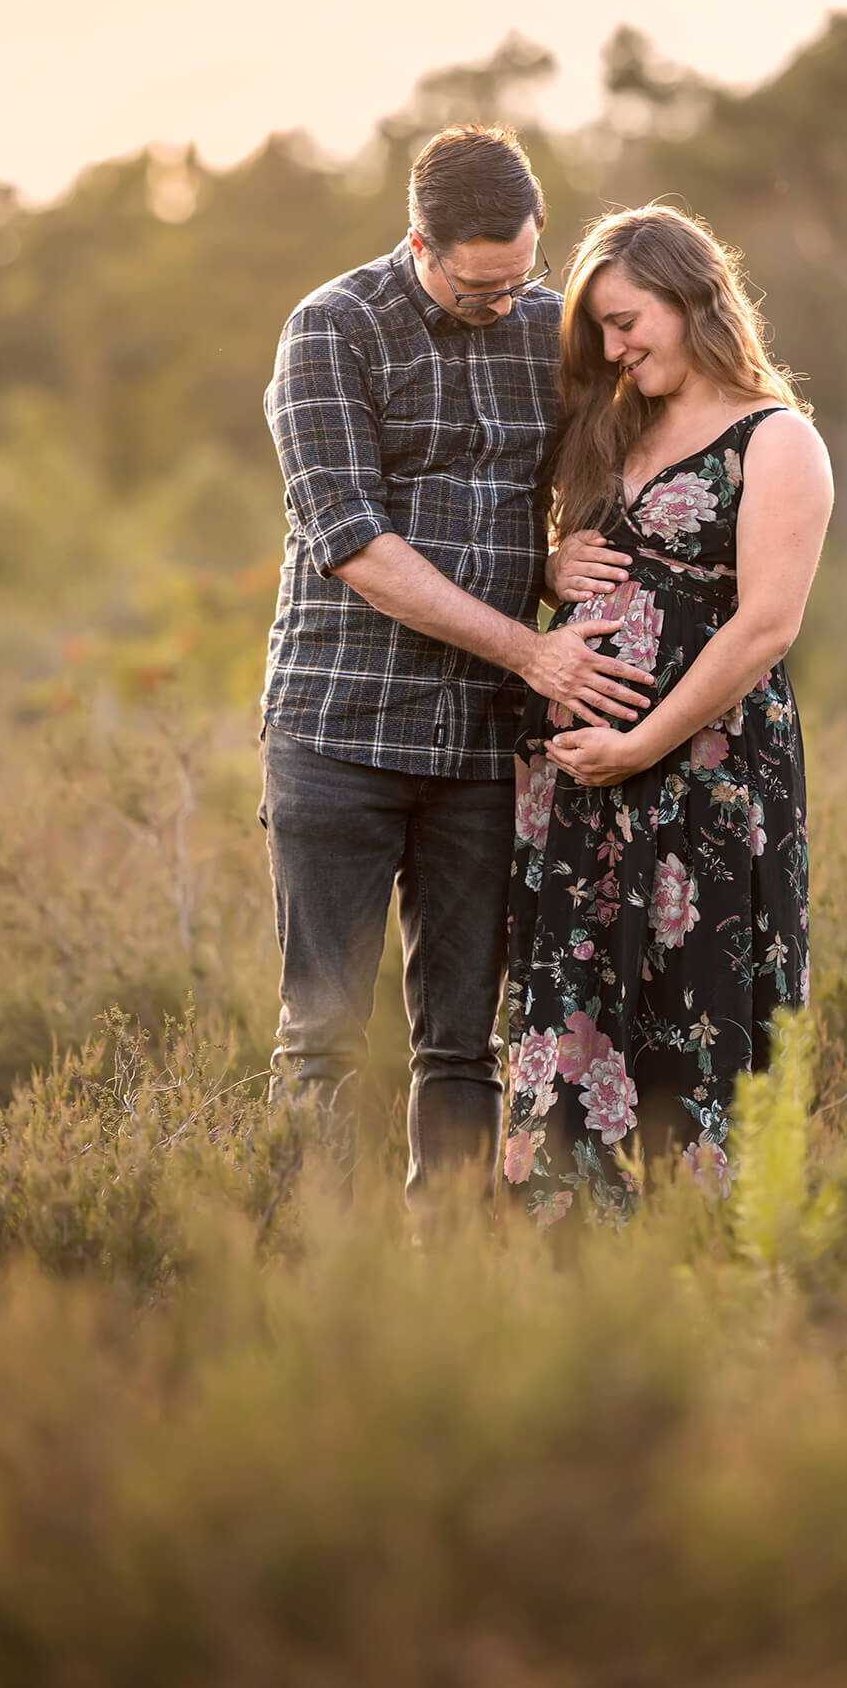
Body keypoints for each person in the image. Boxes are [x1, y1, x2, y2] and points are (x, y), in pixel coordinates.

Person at [258, 125, 648, 1205]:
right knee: (324, 1039)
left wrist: (561, 546)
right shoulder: (332, 332)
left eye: (520, 278)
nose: (502, 303)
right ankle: (318, 1271)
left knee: (461, 1041)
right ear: (418, 242)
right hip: (338, 732)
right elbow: (359, 550)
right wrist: (532, 647)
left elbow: (598, 458)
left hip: (480, 745)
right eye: (478, 289)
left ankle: (450, 1282)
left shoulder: (541, 325)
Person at [502, 205, 834, 1226]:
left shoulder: (775, 439)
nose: (612, 347)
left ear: (693, 298)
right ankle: (565, 1271)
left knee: (693, 1008)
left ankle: (705, 1270)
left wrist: (642, 743)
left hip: (701, 774)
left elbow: (763, 627)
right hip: (578, 784)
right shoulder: (617, 426)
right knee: (572, 1007)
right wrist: (550, 564)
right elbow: (566, 562)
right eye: (598, 329)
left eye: (625, 319)